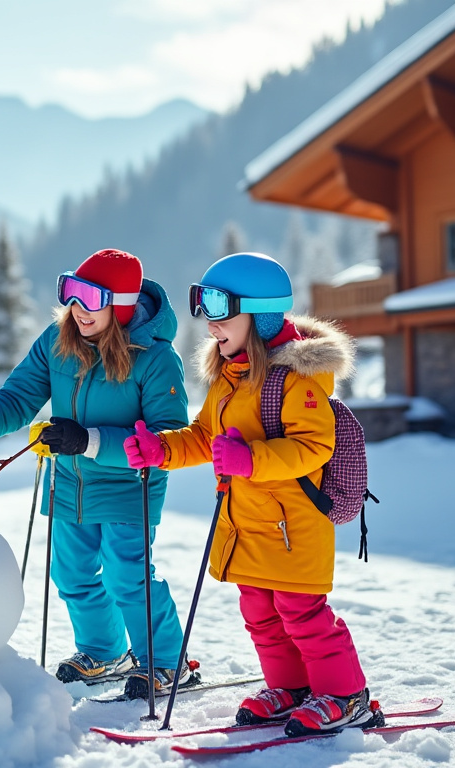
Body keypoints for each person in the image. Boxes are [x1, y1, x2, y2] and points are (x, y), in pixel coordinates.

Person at [124, 252, 380, 736]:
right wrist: (159, 449)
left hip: (293, 524)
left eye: (221, 310)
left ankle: (347, 696)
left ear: (259, 316)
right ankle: (291, 687)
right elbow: (205, 436)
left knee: (301, 613)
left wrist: (252, 460)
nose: (210, 323)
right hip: (246, 522)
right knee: (259, 611)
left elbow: (313, 446)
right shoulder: (228, 375)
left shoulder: (297, 379)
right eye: (204, 307)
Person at [0, 248, 194, 699]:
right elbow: (15, 401)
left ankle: (168, 662)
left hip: (131, 485)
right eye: (71, 293)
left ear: (122, 305)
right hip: (71, 483)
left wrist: (88, 440)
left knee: (127, 576)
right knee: (71, 574)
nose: (78, 308)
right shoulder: (57, 342)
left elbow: (166, 438)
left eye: (91, 298)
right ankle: (104, 650)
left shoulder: (155, 358)